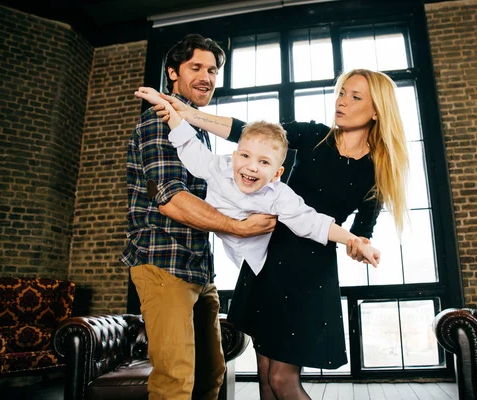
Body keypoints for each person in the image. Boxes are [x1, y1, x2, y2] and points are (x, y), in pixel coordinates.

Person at [146, 68, 408, 400]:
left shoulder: (377, 173)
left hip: (310, 272)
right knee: (266, 378)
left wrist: (358, 245)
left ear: (376, 111)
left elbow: (361, 233)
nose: (342, 102)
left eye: (355, 97)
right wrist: (189, 115)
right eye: (342, 92)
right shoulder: (314, 135)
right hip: (267, 257)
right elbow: (248, 133)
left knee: (284, 379)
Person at [120, 33, 277, 400]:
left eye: (213, 69)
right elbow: (171, 199)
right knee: (175, 381)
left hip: (198, 269)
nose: (206, 76)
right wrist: (239, 227)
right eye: (196, 67)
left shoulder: (194, 132)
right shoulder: (158, 121)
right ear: (172, 73)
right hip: (163, 264)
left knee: (211, 376)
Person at [134, 87, 382, 272]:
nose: (251, 167)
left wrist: (355, 241)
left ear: (277, 174)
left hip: (271, 264)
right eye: (245, 156)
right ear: (234, 156)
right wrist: (173, 112)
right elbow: (191, 147)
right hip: (230, 256)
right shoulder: (221, 168)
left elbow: (314, 222)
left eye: (264, 163)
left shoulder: (279, 196)